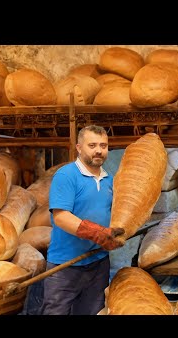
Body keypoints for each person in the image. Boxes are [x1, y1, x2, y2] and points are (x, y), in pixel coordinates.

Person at [41, 125, 125, 315]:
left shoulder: (110, 180)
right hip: (65, 264)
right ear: (79, 148)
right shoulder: (66, 175)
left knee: (94, 312)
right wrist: (97, 233)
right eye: (92, 145)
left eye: (103, 146)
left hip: (98, 263)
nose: (98, 150)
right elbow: (61, 217)